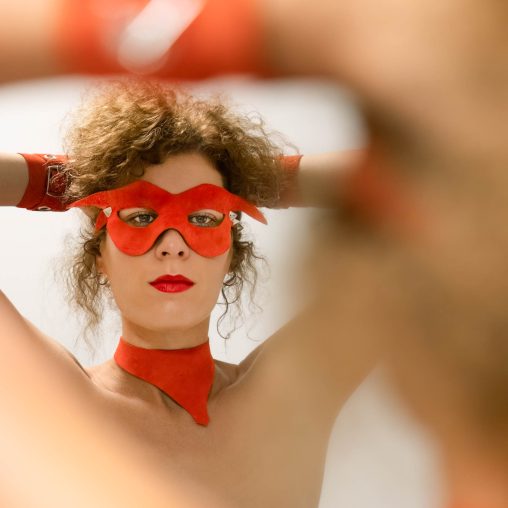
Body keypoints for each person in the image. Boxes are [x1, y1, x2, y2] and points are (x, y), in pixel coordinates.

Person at [1, 79, 372, 507]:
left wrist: (259, 178)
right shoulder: (59, 403)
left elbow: (434, 188)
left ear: (231, 253)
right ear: (100, 257)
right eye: (140, 217)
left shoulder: (288, 393)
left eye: (202, 216)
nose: (173, 244)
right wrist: (60, 180)